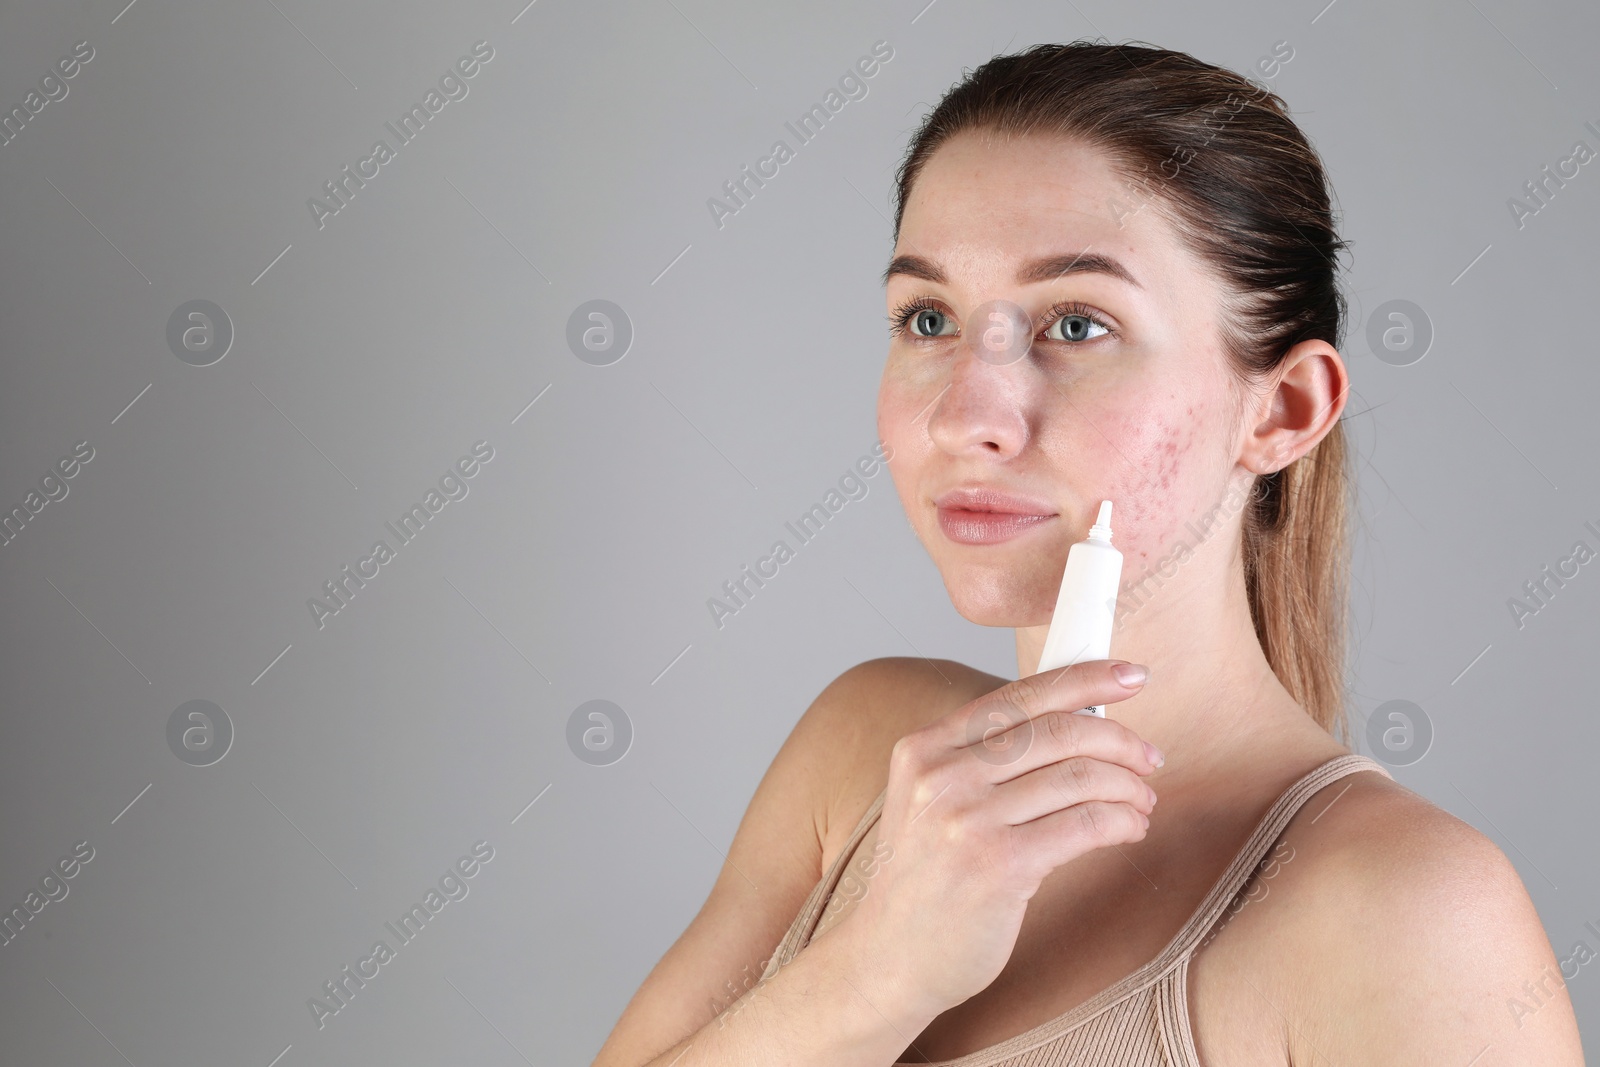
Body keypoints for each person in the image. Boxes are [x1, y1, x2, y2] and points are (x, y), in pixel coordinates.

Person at [592, 40, 1585, 1066]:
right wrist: (876, 972)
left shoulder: (1410, 913)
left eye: (1076, 322)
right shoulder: (857, 756)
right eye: (928, 317)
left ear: (1283, 411)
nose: (968, 415)